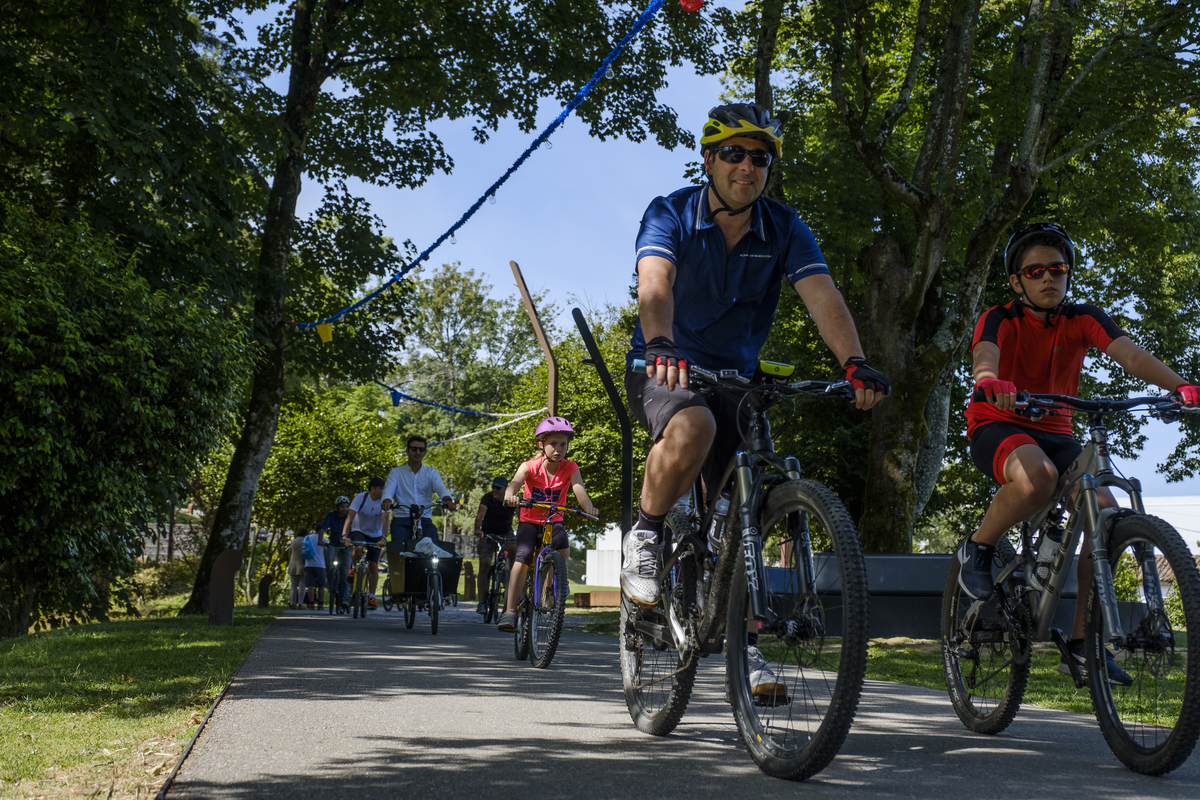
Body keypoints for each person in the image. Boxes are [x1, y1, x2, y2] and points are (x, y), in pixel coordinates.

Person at [619, 103, 889, 697]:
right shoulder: (670, 212)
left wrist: (855, 360)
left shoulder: (785, 226)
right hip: (665, 363)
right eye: (734, 154)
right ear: (709, 158)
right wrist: (660, 339)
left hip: (738, 378)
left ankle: (745, 648)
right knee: (692, 430)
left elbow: (823, 296)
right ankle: (644, 534)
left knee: (744, 512)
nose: (747, 167)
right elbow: (654, 281)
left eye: (760, 158)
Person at [956, 221, 1200, 685]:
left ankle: (1087, 642)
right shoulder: (999, 317)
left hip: (1058, 430)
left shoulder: (1082, 317)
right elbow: (985, 353)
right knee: (1037, 477)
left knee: (1106, 514)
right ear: (1016, 281)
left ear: (1068, 275)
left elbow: (1129, 354)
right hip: (998, 421)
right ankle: (979, 547)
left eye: (1057, 269)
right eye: (1035, 272)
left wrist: (1180, 385)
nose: (1048, 278)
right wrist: (989, 381)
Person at [495, 416, 599, 632]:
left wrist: (587, 506)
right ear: (540, 444)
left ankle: (557, 584)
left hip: (554, 520)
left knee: (561, 546)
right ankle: (509, 611)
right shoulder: (530, 467)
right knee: (522, 556)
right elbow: (514, 484)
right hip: (530, 522)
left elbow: (578, 488)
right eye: (553, 444)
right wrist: (510, 495)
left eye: (563, 444)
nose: (559, 449)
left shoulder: (570, 468)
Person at [381, 435, 458, 544]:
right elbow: (388, 489)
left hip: (424, 520)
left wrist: (448, 500)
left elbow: (441, 489)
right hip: (402, 520)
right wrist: (387, 500)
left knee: (434, 549)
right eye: (414, 449)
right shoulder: (396, 473)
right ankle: (400, 560)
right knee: (400, 552)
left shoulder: (431, 473)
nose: (418, 452)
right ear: (407, 451)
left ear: (424, 452)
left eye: (421, 449)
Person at [342, 478, 389, 610]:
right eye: (381, 489)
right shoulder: (360, 498)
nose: (383, 491)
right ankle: (353, 569)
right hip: (359, 530)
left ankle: (372, 597)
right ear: (373, 489)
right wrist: (345, 535)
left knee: (373, 565)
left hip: (376, 534)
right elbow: (350, 517)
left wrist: (383, 538)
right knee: (358, 549)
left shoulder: (384, 502)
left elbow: (385, 521)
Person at [474, 476, 517, 615]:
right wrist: (478, 529)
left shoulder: (512, 499)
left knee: (515, 553)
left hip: (506, 532)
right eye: (493, 487)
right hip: (488, 533)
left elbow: (523, 517)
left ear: (506, 489)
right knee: (485, 564)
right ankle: (481, 602)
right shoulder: (487, 498)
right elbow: (480, 516)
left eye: (498, 487)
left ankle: (511, 583)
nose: (494, 490)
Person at [317, 495, 352, 612]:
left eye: (346, 506)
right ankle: (331, 585)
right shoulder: (331, 515)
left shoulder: (350, 516)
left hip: (346, 547)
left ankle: (344, 599)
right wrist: (320, 540)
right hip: (333, 545)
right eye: (342, 507)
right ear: (337, 507)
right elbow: (323, 528)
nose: (344, 509)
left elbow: (356, 529)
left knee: (346, 573)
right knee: (330, 566)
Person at [302, 527, 329, 610]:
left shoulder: (307, 538)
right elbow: (325, 553)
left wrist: (304, 563)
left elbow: (303, 550)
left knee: (310, 585)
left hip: (309, 564)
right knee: (321, 585)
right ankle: (320, 603)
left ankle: (311, 603)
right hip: (320, 565)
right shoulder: (324, 540)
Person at [287, 529, 306, 609]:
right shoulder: (305, 542)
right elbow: (305, 554)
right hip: (302, 565)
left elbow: (289, 554)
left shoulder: (293, 542)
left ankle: (292, 603)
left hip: (293, 566)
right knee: (302, 586)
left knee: (293, 586)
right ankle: (300, 604)